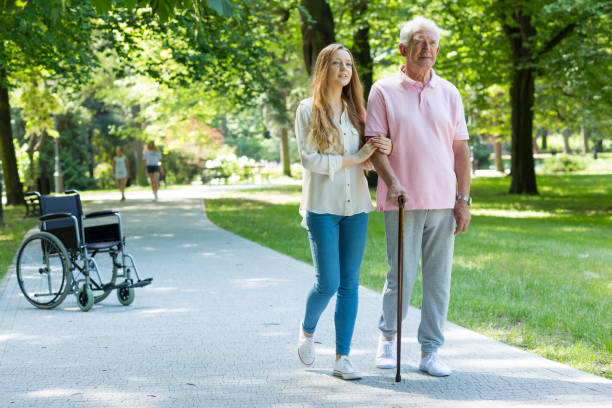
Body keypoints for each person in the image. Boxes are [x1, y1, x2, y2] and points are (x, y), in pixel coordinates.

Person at [366, 16, 471, 377]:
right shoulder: (382, 90)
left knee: (438, 280)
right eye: (419, 42)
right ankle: (387, 340)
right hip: (402, 201)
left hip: (443, 201)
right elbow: (374, 146)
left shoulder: (450, 92)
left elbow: (461, 151)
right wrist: (392, 183)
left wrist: (463, 199)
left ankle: (430, 351)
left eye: (432, 43)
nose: (427, 49)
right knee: (402, 275)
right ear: (403, 48)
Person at [294, 43, 392, 380]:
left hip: (357, 208)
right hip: (321, 207)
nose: (344, 69)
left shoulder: (357, 112)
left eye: (348, 63)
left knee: (350, 283)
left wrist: (384, 148)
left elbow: (370, 156)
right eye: (336, 63)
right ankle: (307, 332)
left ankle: (342, 358)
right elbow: (309, 160)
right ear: (324, 69)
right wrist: (353, 158)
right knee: (328, 282)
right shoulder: (307, 110)